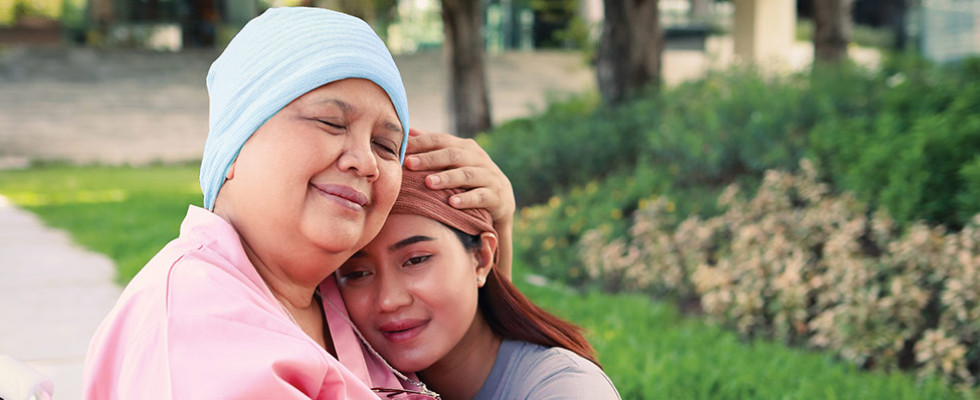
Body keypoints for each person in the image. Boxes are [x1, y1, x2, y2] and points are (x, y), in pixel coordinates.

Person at [82, 7, 511, 399]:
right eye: (331, 122)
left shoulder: (338, 296)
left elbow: (479, 366)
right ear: (233, 150)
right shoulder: (196, 328)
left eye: (385, 145)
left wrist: (500, 222)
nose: (365, 162)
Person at [335, 168, 622, 400]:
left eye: (416, 260)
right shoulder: (350, 381)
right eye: (357, 274)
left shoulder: (565, 388)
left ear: (481, 258)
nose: (389, 300)